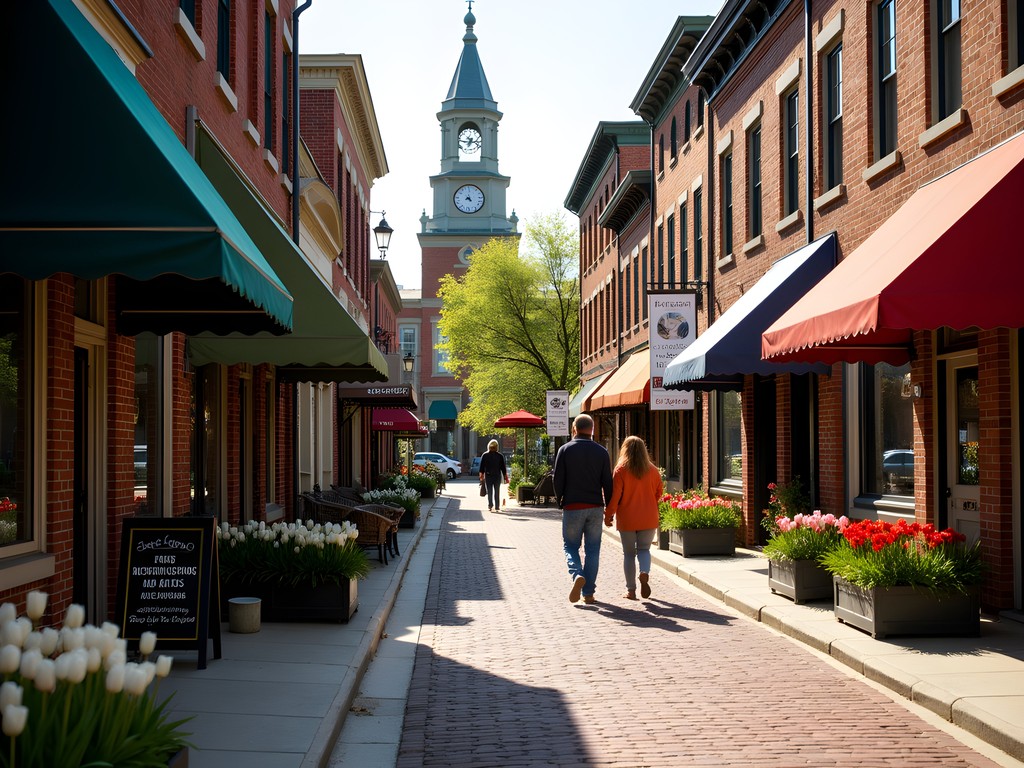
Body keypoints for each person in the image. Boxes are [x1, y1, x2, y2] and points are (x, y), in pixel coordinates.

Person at [553, 414, 613, 604]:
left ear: (574, 429)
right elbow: (608, 483)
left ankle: (577, 574)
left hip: (573, 505)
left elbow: (557, 479)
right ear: (592, 429)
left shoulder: (565, 450)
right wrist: (609, 509)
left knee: (570, 546)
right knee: (593, 549)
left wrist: (560, 500)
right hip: (595, 506)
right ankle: (588, 593)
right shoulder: (602, 452)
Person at [603, 436, 663, 600]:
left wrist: (609, 515)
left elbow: (615, 497)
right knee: (644, 549)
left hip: (628, 518)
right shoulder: (652, 470)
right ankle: (644, 572)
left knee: (629, 554)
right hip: (649, 517)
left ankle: (631, 590)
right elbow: (659, 491)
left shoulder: (621, 470)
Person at [478, 440, 508, 512]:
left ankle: (490, 505)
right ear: (497, 447)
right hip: (497, 476)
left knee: (490, 491)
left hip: (488, 476)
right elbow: (503, 467)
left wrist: (481, 476)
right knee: (497, 491)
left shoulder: (485, 455)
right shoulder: (500, 456)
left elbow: (481, 467)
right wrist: (505, 477)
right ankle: (497, 506)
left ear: (489, 446)